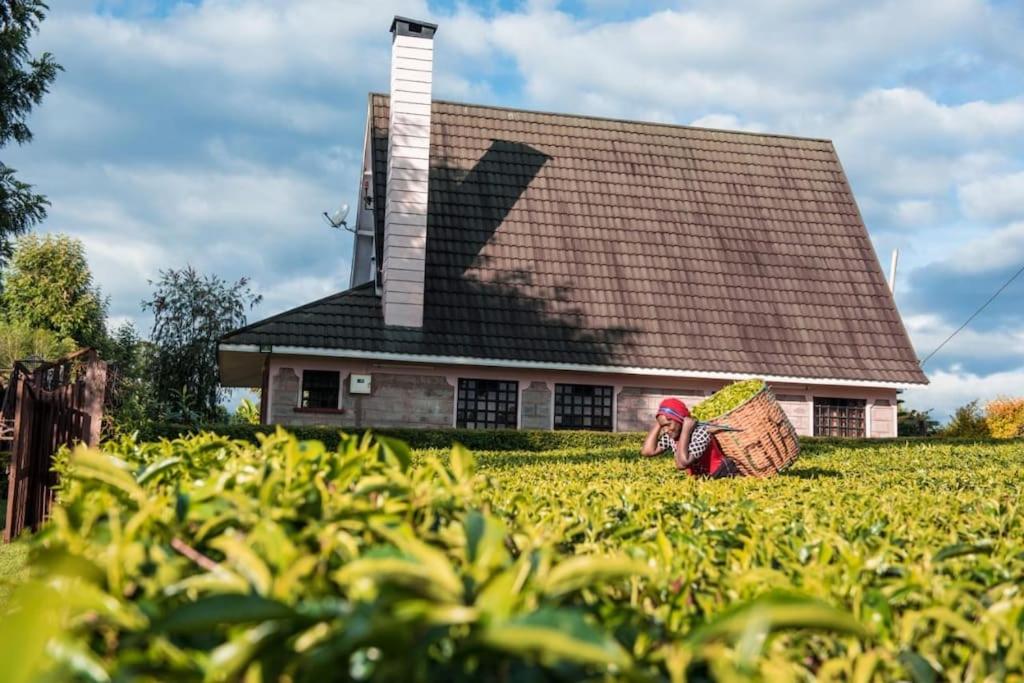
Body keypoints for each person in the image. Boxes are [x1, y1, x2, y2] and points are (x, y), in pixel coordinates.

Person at [640, 398, 739, 478]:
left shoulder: (701, 432)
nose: (666, 430)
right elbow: (647, 451)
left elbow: (682, 463)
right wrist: (660, 420)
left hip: (722, 474)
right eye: (663, 426)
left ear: (680, 420)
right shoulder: (672, 434)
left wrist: (686, 430)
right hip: (702, 479)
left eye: (668, 424)